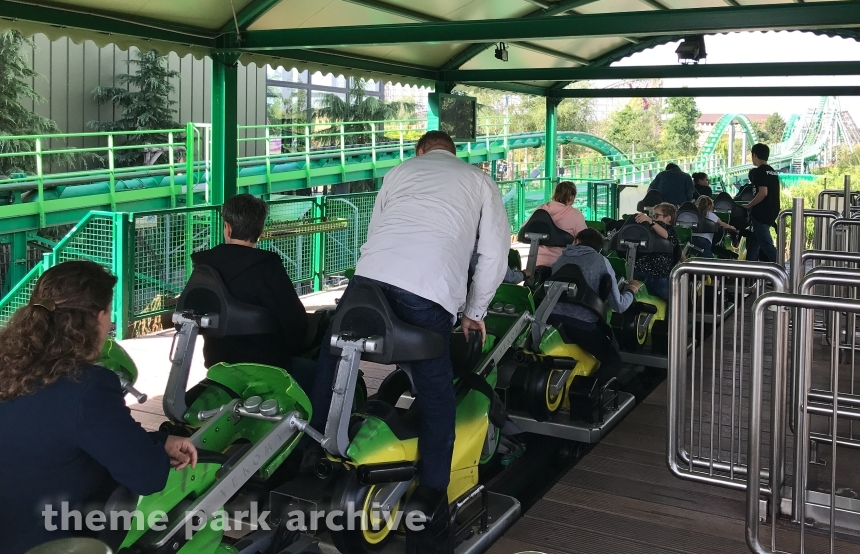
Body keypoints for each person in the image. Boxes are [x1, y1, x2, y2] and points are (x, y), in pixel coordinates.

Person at [311, 130, 508, 552]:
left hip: (369, 281)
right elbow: (494, 254)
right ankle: (431, 495)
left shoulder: (400, 171)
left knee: (336, 353)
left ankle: (318, 451)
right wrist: (475, 312)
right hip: (428, 291)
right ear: (452, 152)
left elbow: (377, 228)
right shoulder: (479, 180)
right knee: (437, 395)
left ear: (420, 151)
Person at [0, 260, 197, 554]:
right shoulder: (87, 386)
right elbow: (146, 476)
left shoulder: (9, 368)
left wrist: (159, 440)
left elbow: (62, 435)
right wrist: (154, 450)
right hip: (49, 542)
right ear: (98, 317)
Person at [190, 194, 315, 393]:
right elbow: (294, 321)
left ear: (228, 227)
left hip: (218, 364)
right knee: (323, 373)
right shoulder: (267, 267)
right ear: (260, 230)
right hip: (269, 367)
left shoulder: (203, 267)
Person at [549, 228, 641, 384]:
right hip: (581, 325)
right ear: (600, 247)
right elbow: (619, 306)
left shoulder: (560, 259)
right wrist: (631, 290)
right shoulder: (601, 261)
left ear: (577, 241)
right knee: (613, 361)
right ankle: (585, 394)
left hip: (552, 319)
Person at [629, 202, 680, 300]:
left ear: (668, 218)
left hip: (653, 275)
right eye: (652, 216)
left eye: (656, 216)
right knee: (676, 300)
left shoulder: (668, 230)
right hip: (651, 274)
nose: (654, 218)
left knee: (675, 299)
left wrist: (651, 221)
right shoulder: (650, 229)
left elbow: (666, 235)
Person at [533, 180, 588, 270]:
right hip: (562, 265)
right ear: (571, 197)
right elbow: (585, 239)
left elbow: (525, 228)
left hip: (537, 262)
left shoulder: (541, 209)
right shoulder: (575, 214)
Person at [744, 143, 780, 263]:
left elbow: (763, 192)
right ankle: (750, 268)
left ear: (754, 155)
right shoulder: (772, 171)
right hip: (772, 211)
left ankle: (782, 271)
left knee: (766, 245)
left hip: (761, 213)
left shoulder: (759, 172)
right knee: (755, 240)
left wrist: (749, 205)